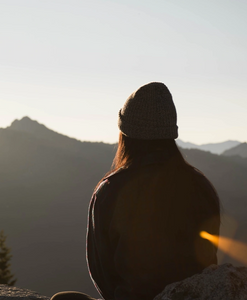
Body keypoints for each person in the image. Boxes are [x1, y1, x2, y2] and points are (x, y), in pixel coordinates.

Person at [52, 82, 221, 300]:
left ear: (126, 134)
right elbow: (208, 262)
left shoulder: (111, 190)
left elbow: (102, 273)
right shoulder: (200, 186)